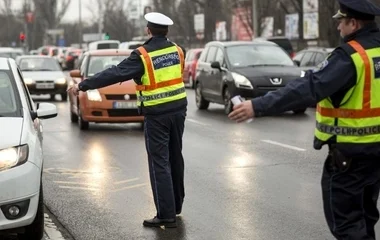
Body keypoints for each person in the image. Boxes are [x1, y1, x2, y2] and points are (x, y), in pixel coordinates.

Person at [229, 0, 380, 238]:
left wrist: (257, 106)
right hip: (374, 156)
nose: (339, 28)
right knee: (367, 218)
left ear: (353, 23)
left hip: (350, 158)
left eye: (341, 22)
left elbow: (308, 88)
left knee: (348, 227)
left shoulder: (350, 56)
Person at [67, 12, 187, 228]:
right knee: (175, 157)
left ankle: (166, 215)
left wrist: (82, 85)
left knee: (159, 162)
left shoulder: (142, 54)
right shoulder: (177, 50)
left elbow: (115, 73)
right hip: (178, 110)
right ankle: (176, 206)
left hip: (157, 114)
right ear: (166, 31)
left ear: (148, 30)